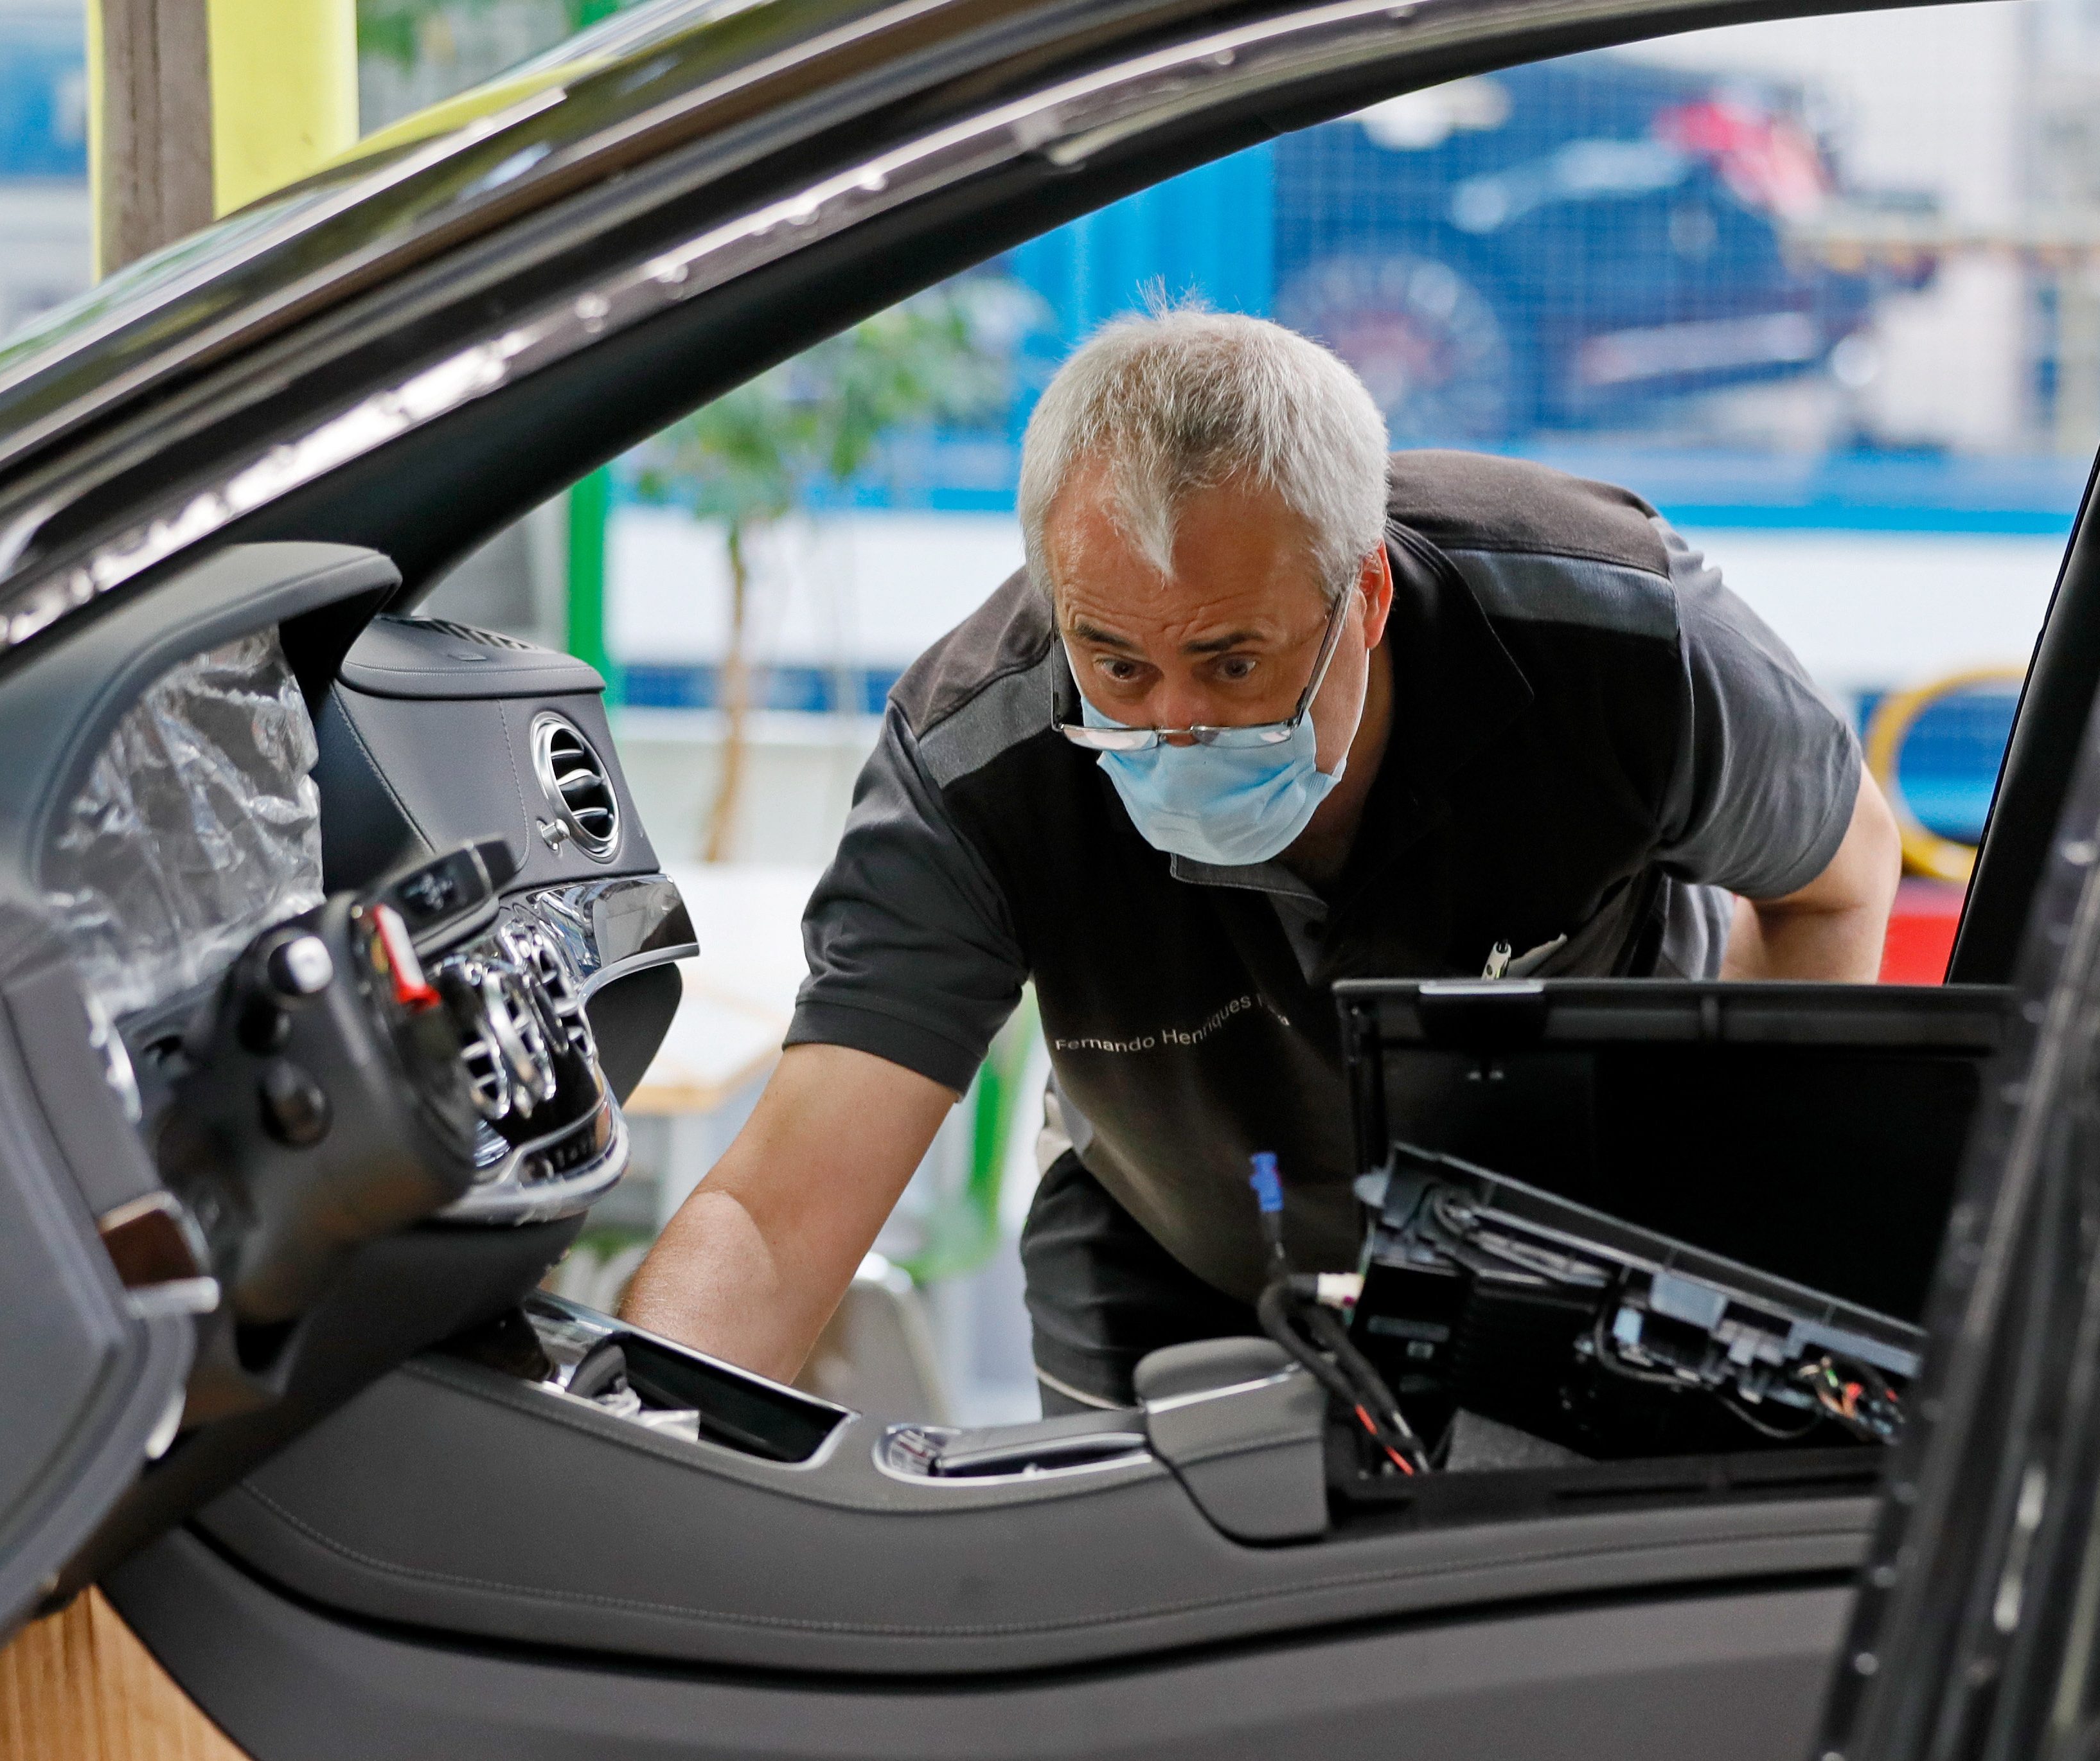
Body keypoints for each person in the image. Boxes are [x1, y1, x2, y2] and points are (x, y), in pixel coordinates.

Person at [618, 308, 1900, 1411]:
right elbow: (781, 1218)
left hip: (1584, 1244)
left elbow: (1841, 878)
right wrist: (637, 1451)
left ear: (1370, 597)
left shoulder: (1616, 642)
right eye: (1117, 663)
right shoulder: (976, 763)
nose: (1175, 721)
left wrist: (1733, 1243)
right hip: (1183, 1252)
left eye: (1235, 662)